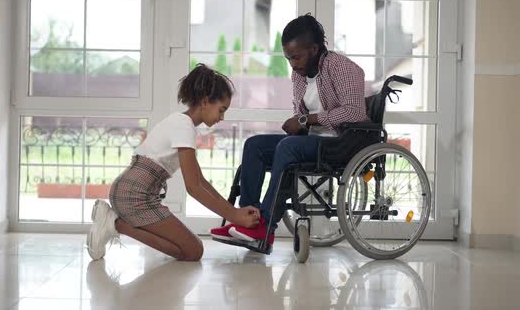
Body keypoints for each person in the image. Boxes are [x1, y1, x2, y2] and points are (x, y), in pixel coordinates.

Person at [210, 14, 368, 246]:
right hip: (312, 142)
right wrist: (299, 122)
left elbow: (355, 113)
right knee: (254, 145)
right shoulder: (299, 75)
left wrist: (305, 120)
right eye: (288, 58)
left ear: (314, 49)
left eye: (296, 57)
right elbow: (300, 114)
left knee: (288, 146)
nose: (292, 64)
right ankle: (247, 220)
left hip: (341, 143)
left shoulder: (342, 68)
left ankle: (265, 227)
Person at [87, 64, 261, 262]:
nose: (222, 117)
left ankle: (113, 221)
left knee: (192, 250)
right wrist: (234, 216)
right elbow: (193, 188)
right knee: (193, 251)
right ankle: (114, 223)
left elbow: (200, 181)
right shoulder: (183, 126)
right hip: (134, 195)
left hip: (134, 192)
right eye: (221, 110)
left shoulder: (182, 124)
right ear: (205, 102)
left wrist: (234, 212)